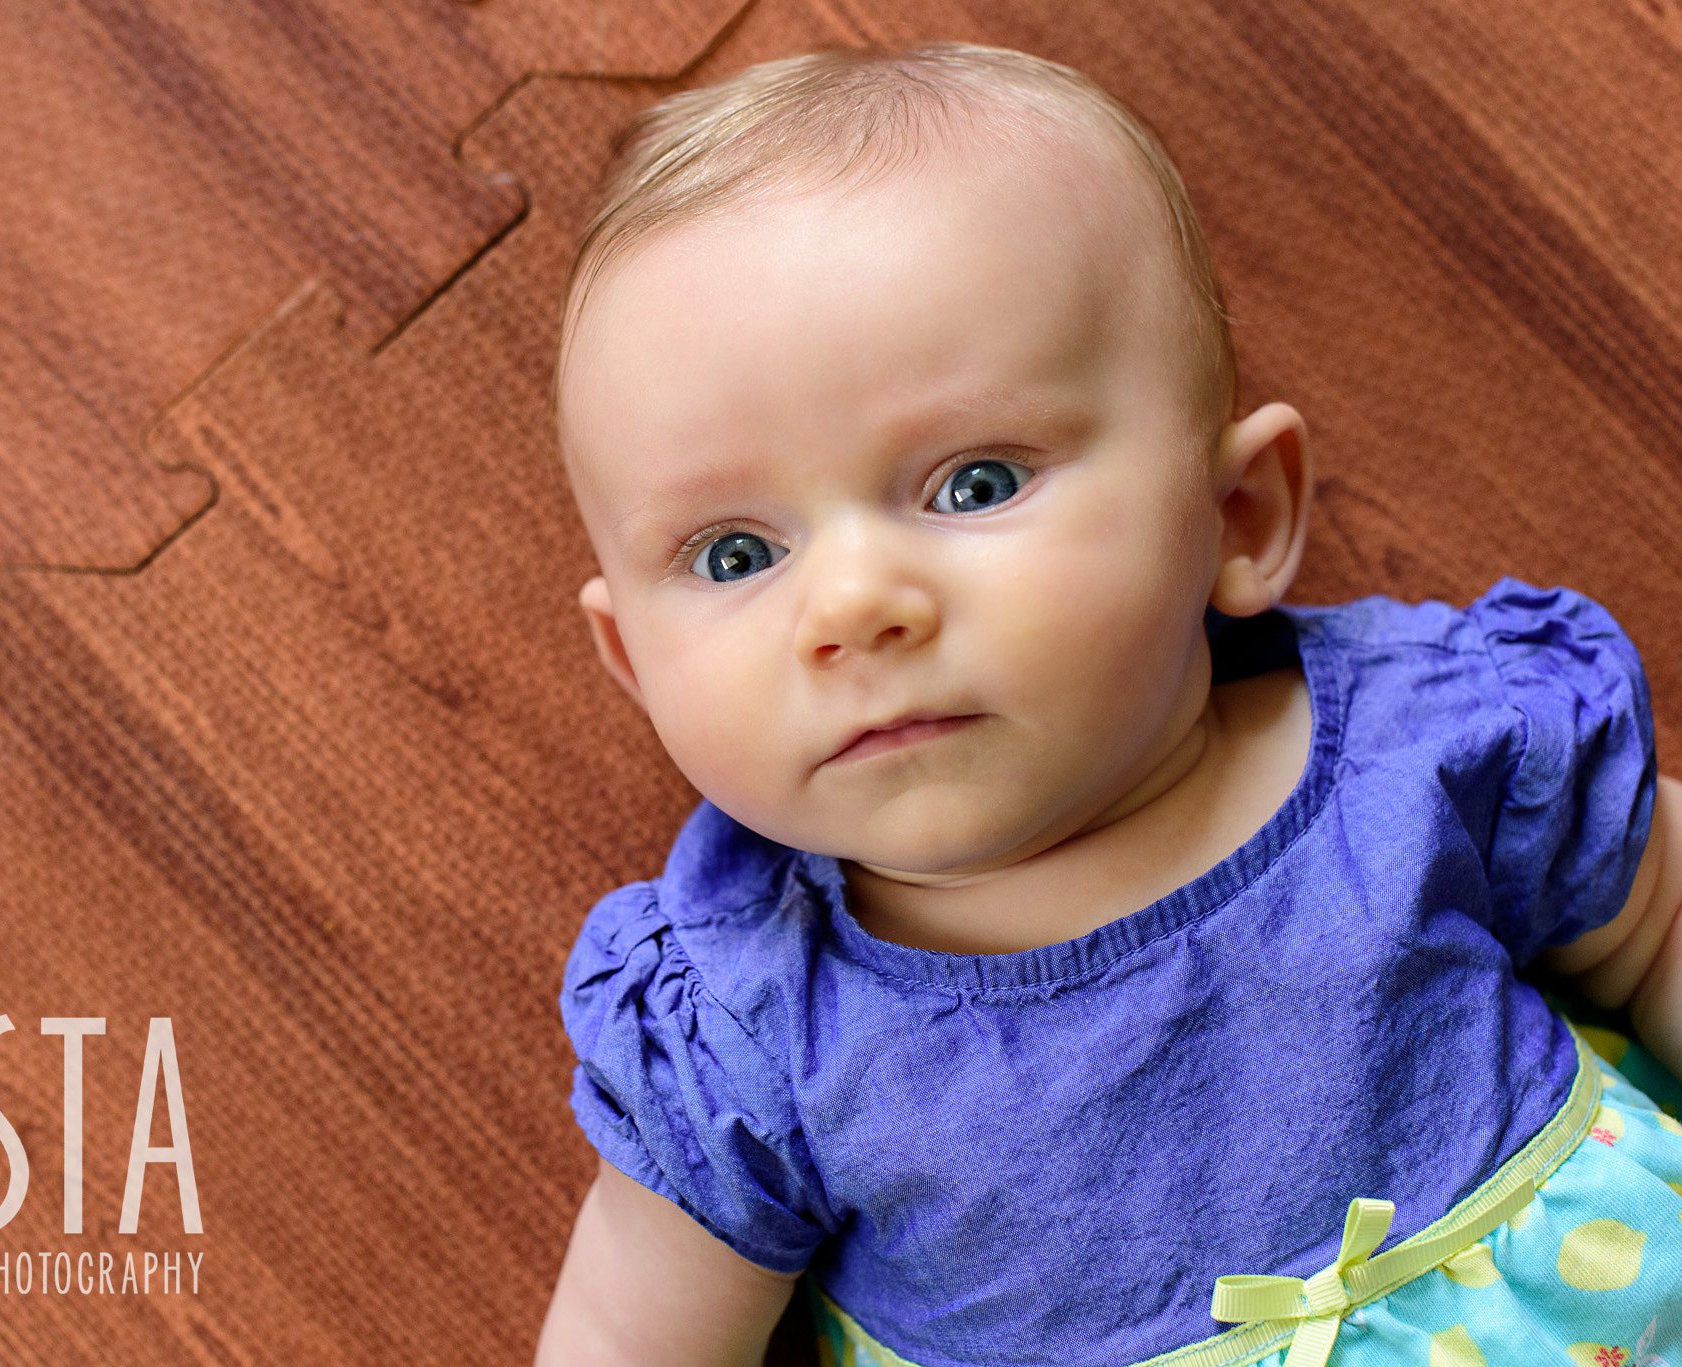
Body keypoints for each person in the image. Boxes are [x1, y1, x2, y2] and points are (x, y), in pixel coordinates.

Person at [535, 39, 1682, 1367]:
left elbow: (1659, 920)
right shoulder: (745, 1024)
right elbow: (631, 1339)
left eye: (974, 484)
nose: (852, 605)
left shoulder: (1426, 744)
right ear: (634, 666)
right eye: (736, 556)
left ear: (1237, 515)